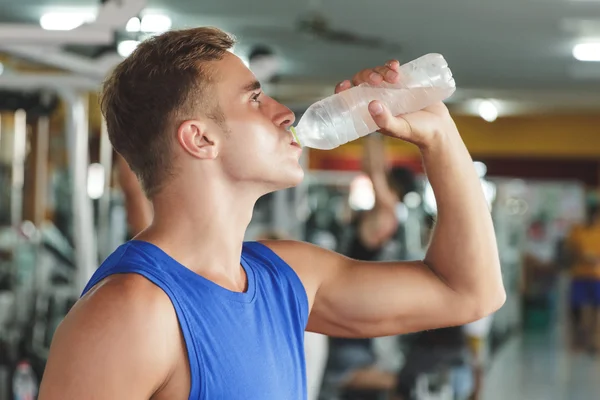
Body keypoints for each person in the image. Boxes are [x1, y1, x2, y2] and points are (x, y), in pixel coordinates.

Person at [38, 27, 505, 399]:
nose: (284, 113)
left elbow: (468, 293)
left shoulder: (287, 276)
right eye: (255, 98)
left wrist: (440, 137)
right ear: (200, 139)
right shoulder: (131, 312)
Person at [322, 135, 417, 397]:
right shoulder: (386, 211)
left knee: (335, 379)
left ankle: (401, 384)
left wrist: (372, 125)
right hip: (355, 306)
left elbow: (375, 171)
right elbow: (374, 171)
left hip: (354, 308)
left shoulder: (388, 210)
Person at [567, 201, 600, 352]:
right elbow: (569, 252)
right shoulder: (577, 230)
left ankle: (594, 342)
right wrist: (581, 256)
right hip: (580, 276)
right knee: (582, 311)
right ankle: (582, 342)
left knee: (596, 312)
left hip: (597, 277)